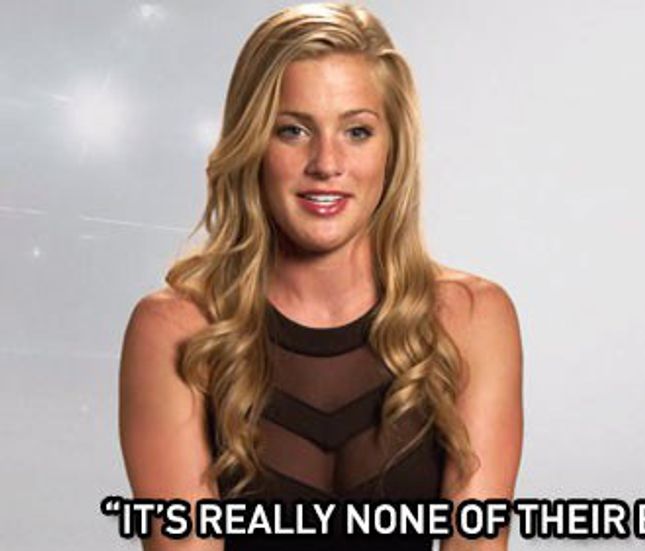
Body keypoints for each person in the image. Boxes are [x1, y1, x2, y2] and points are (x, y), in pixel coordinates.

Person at [117, 3, 523, 550]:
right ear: (252, 143)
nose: (327, 163)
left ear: (393, 148)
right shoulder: (174, 331)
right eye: (292, 130)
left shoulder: (473, 320)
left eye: (357, 131)